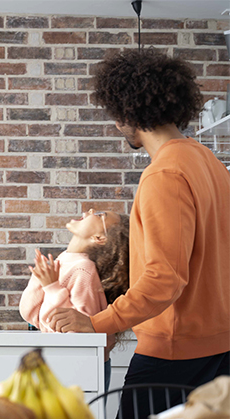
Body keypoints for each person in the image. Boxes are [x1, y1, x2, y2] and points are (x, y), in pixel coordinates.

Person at [48, 49, 230, 417]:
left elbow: (165, 279)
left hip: (175, 354)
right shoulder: (209, 162)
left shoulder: (164, 174)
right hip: (219, 349)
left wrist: (96, 323)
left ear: (127, 115)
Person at [19, 209, 129, 392]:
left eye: (101, 215)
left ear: (99, 238)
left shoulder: (84, 269)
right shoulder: (65, 260)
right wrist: (40, 280)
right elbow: (32, 315)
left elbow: (80, 335)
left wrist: (52, 287)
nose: (92, 210)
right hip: (63, 361)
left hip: (83, 368)